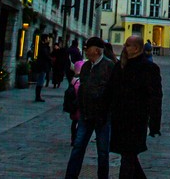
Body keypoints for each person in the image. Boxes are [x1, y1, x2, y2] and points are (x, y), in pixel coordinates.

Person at [109, 35, 163, 179]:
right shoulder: (120, 66)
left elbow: (155, 98)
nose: (124, 47)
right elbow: (110, 91)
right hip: (119, 119)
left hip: (136, 120)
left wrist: (154, 123)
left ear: (136, 48)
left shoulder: (149, 69)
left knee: (128, 157)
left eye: (127, 45)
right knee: (129, 157)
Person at [65, 37, 114, 179]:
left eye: (88, 48)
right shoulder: (86, 67)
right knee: (78, 147)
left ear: (97, 50)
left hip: (102, 117)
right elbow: (82, 89)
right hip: (85, 115)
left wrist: (106, 111)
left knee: (103, 151)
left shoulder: (109, 66)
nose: (86, 51)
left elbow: (112, 92)